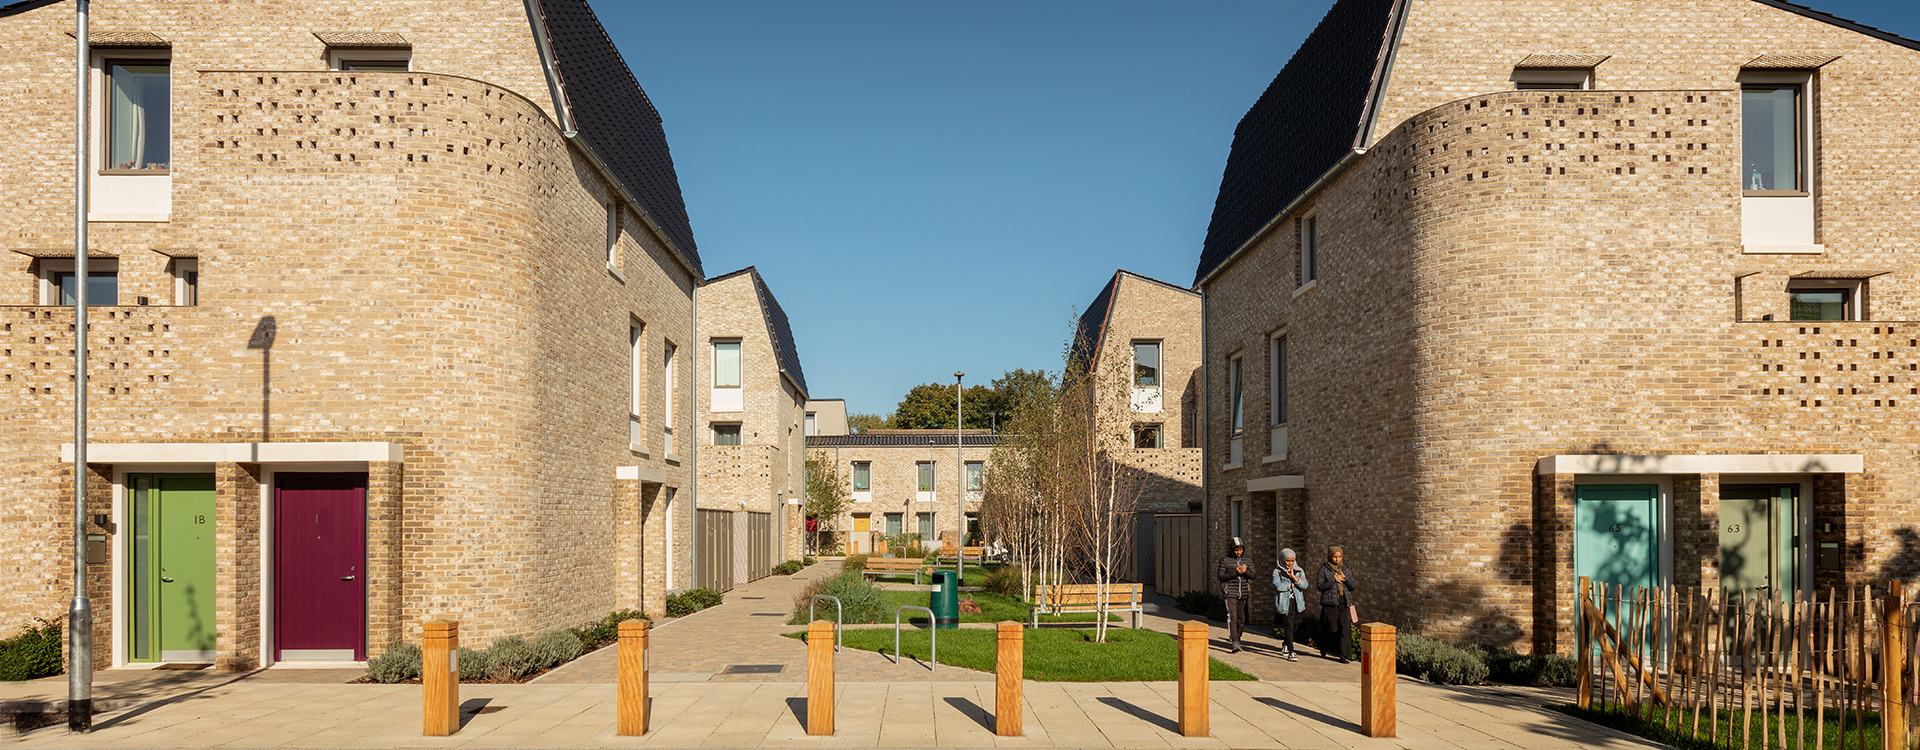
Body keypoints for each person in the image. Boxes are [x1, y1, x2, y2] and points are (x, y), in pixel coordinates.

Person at [1316, 545, 1357, 663]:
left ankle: (1344, 655)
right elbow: (1320, 586)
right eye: (1335, 557)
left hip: (1344, 602)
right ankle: (1324, 647)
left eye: (1339, 557)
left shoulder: (1345, 569)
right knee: (1331, 628)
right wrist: (1333, 579)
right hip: (1330, 603)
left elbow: (1353, 586)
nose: (1337, 559)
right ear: (1330, 556)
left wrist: (1345, 579)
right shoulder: (1324, 569)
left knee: (1345, 629)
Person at [1215, 538, 1253, 652]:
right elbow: (1221, 577)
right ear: (1232, 549)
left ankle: (1237, 636)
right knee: (1232, 617)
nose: (1238, 552)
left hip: (1243, 593)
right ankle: (1235, 642)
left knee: (1241, 619)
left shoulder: (1247, 560)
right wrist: (1235, 573)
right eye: (1236, 550)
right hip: (1230, 592)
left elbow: (1253, 575)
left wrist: (1245, 571)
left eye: (1240, 550)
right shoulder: (1225, 560)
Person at [1271, 548, 1307, 662]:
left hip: (1297, 604)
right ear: (1282, 560)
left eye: (1292, 560)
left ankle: (1286, 643)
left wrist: (1294, 577)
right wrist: (1290, 586)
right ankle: (1291, 652)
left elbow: (1305, 585)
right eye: (1288, 561)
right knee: (1289, 627)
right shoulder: (1277, 572)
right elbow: (1278, 586)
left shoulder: (1299, 571)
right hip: (1284, 604)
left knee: (1295, 627)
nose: (1290, 563)